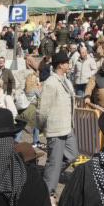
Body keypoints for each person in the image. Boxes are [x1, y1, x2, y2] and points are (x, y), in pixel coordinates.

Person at [36, 52, 79, 190]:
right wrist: (43, 127)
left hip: (67, 127)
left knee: (73, 155)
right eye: (67, 62)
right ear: (60, 65)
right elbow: (42, 110)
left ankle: (49, 175)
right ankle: (48, 191)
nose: (69, 65)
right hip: (55, 129)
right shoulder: (51, 82)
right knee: (54, 162)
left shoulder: (66, 80)